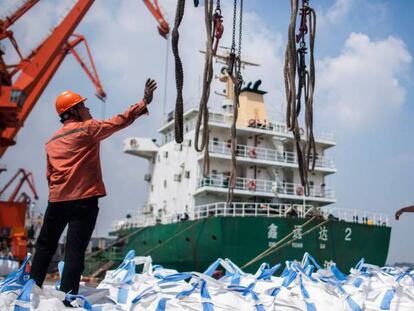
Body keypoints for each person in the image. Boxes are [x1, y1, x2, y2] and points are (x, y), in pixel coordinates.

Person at [30, 79, 157, 300]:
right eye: (83, 106)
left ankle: (31, 288)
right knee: (75, 250)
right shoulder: (87, 129)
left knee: (44, 245)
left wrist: (59, 191)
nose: (87, 108)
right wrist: (144, 102)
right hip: (84, 199)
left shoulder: (51, 141)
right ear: (75, 111)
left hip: (57, 199)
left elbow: (49, 174)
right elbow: (118, 121)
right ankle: (67, 298)